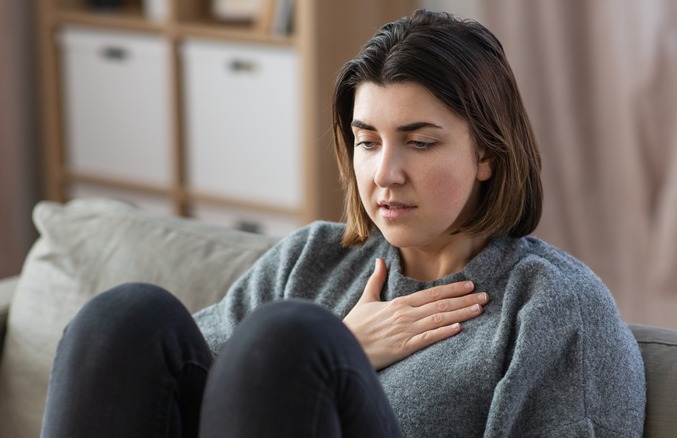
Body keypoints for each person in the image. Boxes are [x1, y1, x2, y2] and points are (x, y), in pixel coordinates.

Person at [41, 9, 646, 438]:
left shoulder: (549, 305)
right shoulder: (313, 258)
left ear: (487, 153)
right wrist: (349, 344)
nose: (386, 173)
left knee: (290, 339)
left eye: (421, 143)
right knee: (122, 320)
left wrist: (326, 362)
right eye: (367, 142)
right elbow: (187, 395)